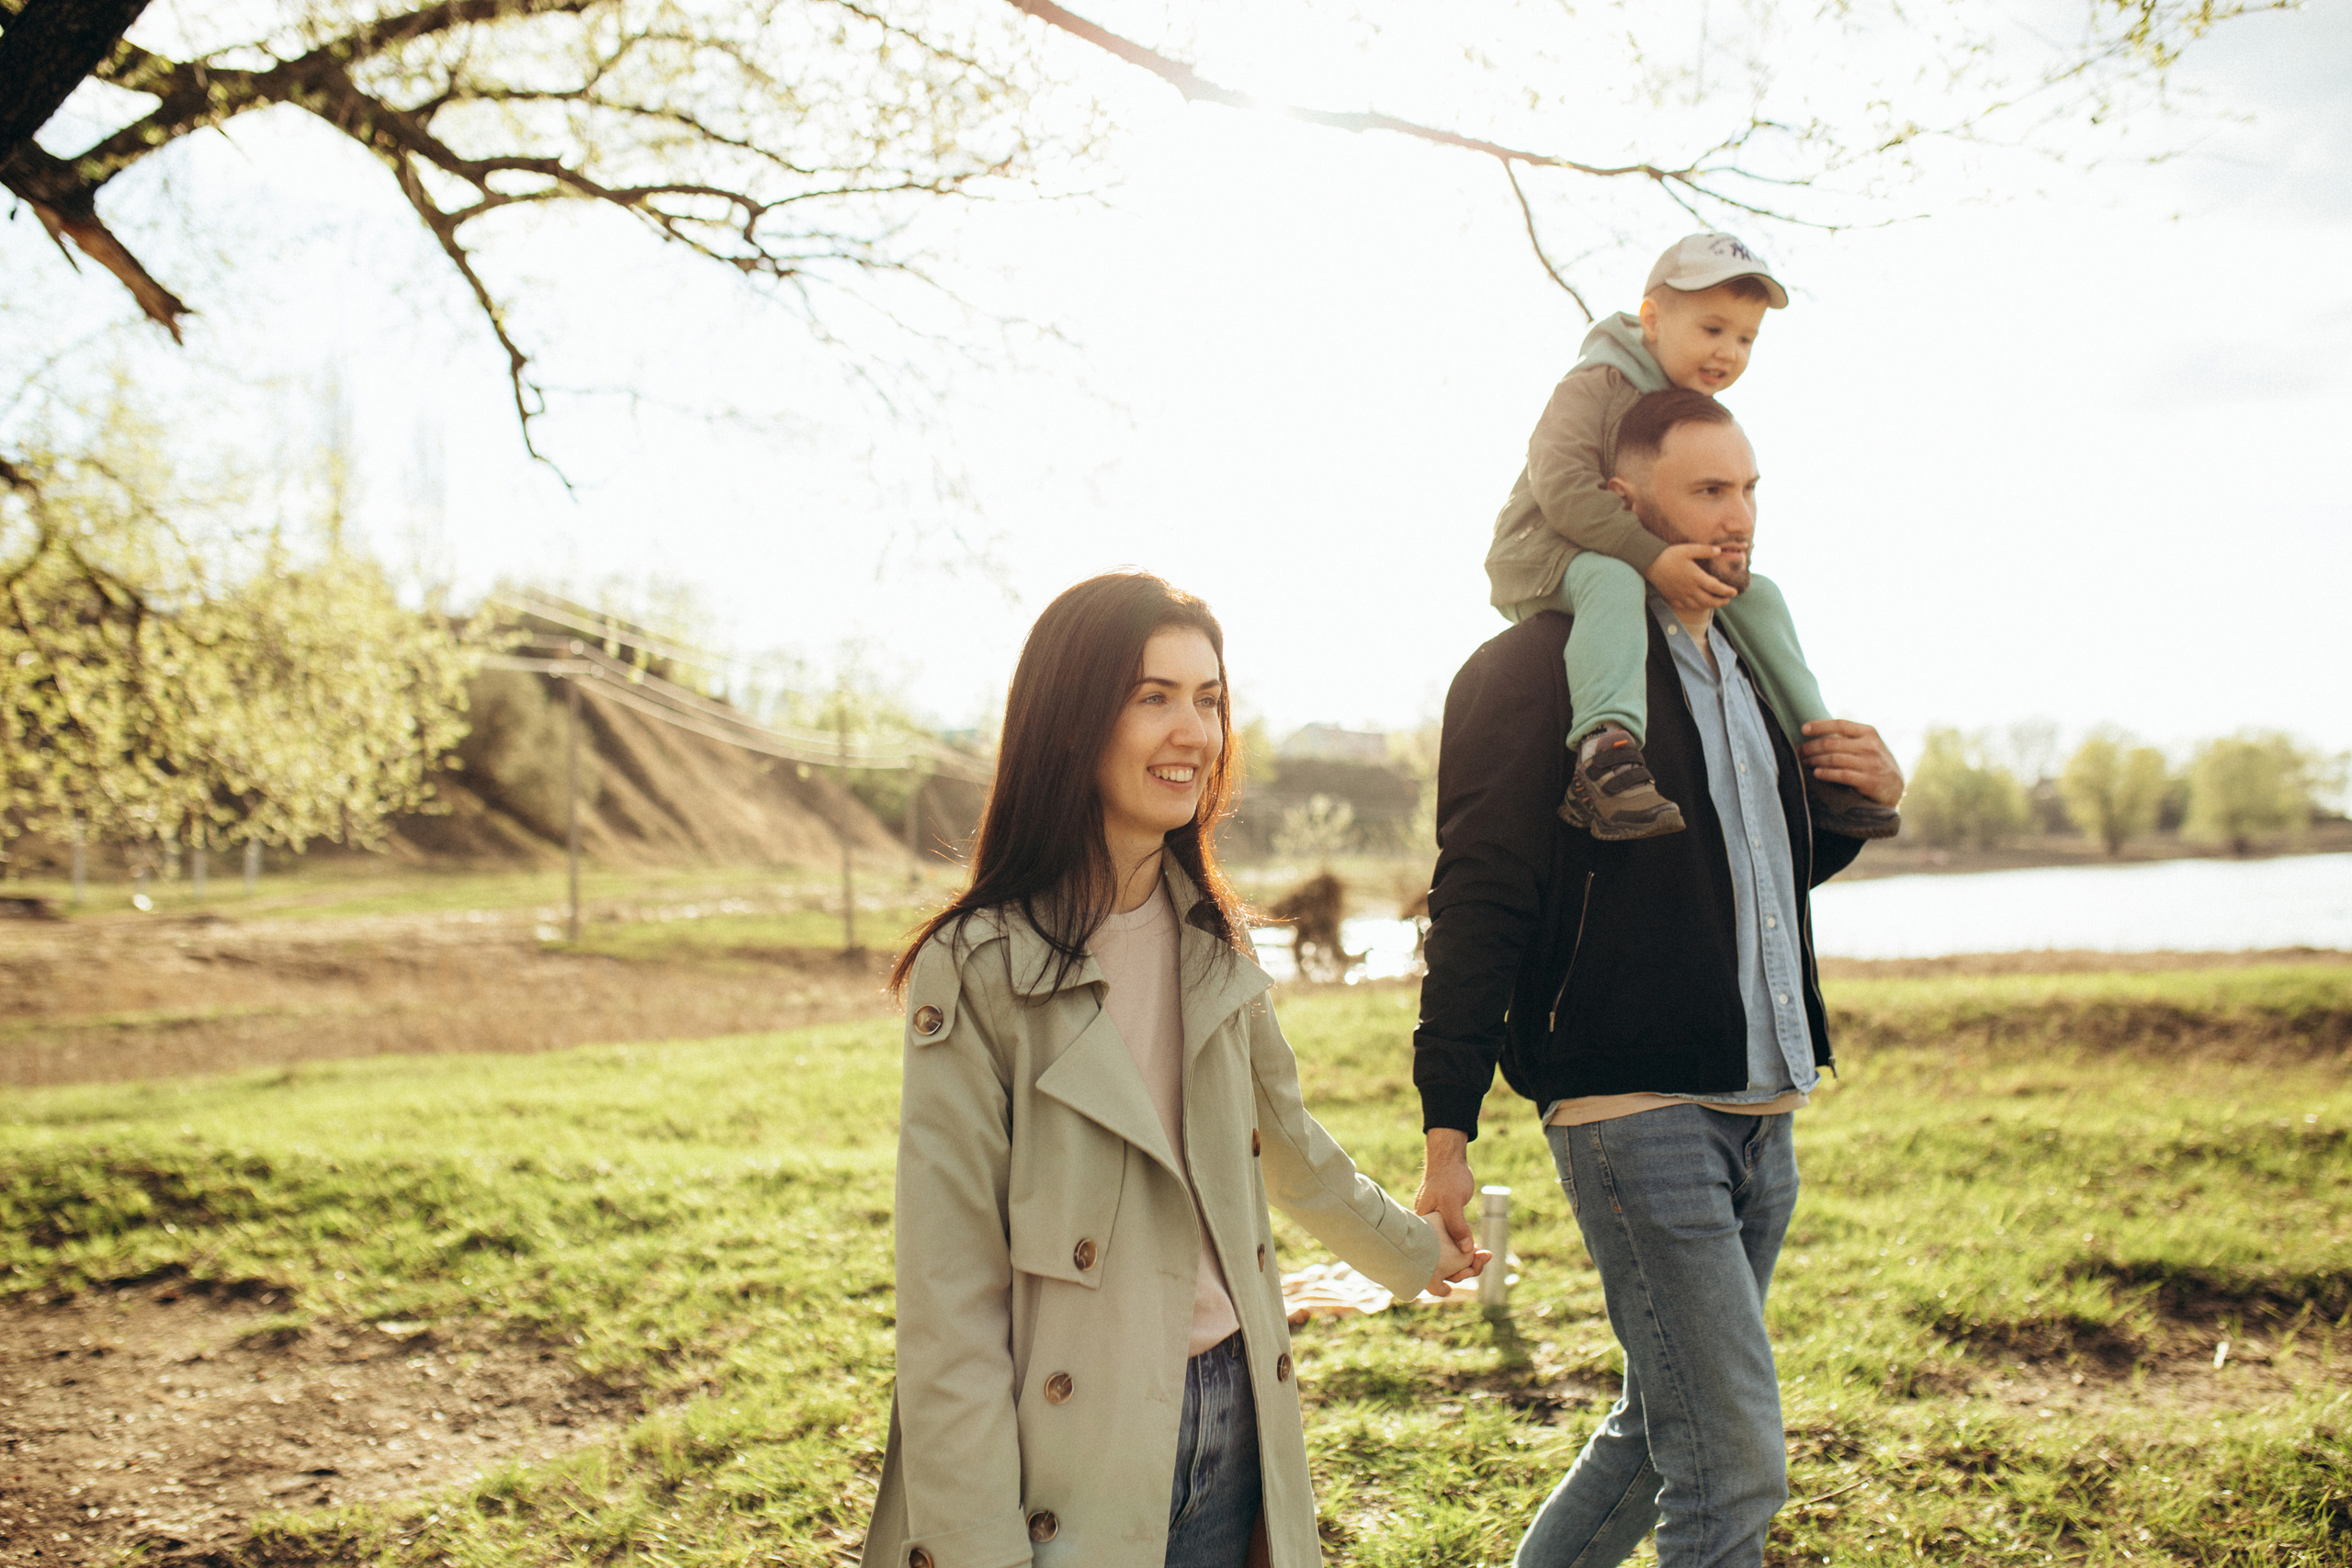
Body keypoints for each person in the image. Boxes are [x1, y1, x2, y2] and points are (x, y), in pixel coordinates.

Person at [862, 571, 1481, 1568]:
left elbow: (1288, 1147)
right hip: (1072, 1450)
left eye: (1210, 700)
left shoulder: (1214, 940)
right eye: (1153, 697)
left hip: (1239, 1411)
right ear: (1071, 721)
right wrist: (977, 1546)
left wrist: (1412, 1253)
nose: (1193, 732)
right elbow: (949, 1294)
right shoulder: (975, 965)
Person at [1413, 391, 1906, 1568]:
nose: (1737, 521)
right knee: (1733, 1471)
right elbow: (1477, 899)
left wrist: (1865, 796)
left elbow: (1749, 871)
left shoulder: (1745, 659)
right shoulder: (1531, 670)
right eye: (1707, 492)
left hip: (1760, 1110)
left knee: (1656, 1432)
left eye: (1747, 491)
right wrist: (1448, 1124)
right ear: (1625, 502)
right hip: (1634, 1115)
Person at [1481, 231, 1900, 845]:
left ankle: (1823, 759)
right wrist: (1653, 558)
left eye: (1746, 338)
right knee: (1613, 578)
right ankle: (1606, 752)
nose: (1729, 352)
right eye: (1712, 330)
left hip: (1618, 548)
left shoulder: (1680, 398)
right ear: (1651, 318)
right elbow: (1562, 485)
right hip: (1542, 551)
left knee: (1757, 592)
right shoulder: (1594, 382)